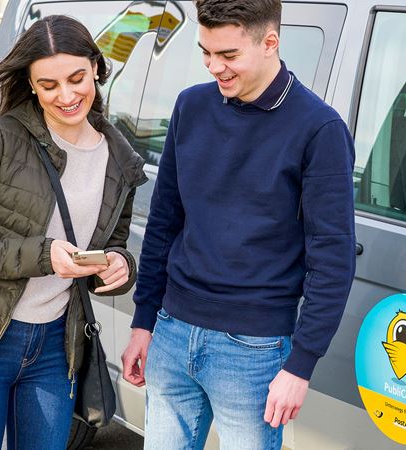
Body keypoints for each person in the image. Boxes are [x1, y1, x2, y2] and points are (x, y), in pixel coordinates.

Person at [120, 0, 356, 448]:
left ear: (270, 43)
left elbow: (333, 261)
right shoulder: (191, 107)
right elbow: (164, 223)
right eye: (206, 53)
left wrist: (300, 365)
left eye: (228, 56)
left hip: (253, 350)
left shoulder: (320, 129)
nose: (214, 67)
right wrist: (144, 321)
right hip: (172, 330)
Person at [0, 15, 146, 450]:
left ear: (97, 68)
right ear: (31, 85)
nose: (66, 96)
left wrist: (121, 265)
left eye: (77, 78)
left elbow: (113, 245)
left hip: (56, 347)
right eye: (49, 85)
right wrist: (43, 256)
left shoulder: (120, 159)